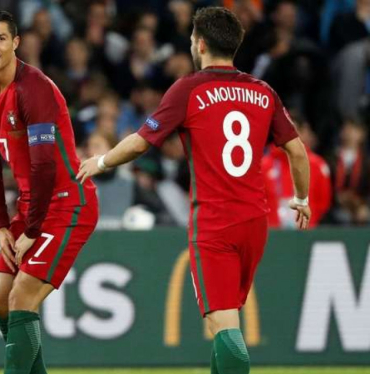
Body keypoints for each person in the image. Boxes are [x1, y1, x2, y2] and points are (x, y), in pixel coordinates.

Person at [77, 7, 310, 374]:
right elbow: (296, 150)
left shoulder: (190, 88)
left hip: (214, 224)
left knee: (224, 327)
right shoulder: (263, 92)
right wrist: (302, 198)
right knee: (224, 323)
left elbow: (141, 143)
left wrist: (101, 162)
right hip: (254, 222)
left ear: (199, 44)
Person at [0, 9, 99, 374]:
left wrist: (31, 230)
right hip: (30, 208)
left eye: (0, 38)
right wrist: (1, 227)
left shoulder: (34, 89)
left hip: (69, 203)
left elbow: (44, 165)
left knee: (21, 298)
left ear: (15, 43)